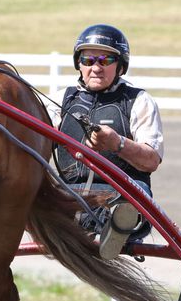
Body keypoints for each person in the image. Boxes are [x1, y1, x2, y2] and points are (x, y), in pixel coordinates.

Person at [51, 24, 164, 259]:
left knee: (138, 192)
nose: (95, 68)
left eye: (105, 60)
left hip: (118, 193)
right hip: (69, 196)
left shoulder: (139, 101)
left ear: (120, 65)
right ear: (78, 64)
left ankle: (114, 230)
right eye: (88, 60)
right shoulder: (60, 99)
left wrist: (117, 143)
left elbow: (151, 160)